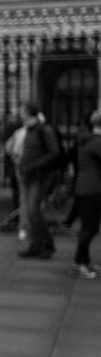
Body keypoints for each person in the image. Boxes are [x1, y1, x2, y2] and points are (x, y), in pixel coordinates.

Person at [17, 101, 61, 259]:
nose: (20, 113)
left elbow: (54, 152)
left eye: (22, 111)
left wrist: (34, 165)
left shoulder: (44, 130)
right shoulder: (30, 129)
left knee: (34, 210)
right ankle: (35, 245)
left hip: (41, 176)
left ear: (30, 113)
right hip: (29, 174)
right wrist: (23, 165)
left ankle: (47, 244)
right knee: (30, 212)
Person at [71, 110, 101, 279]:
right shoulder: (96, 142)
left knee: (87, 228)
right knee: (90, 229)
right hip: (93, 190)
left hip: (84, 189)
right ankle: (78, 264)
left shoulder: (88, 140)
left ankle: (86, 262)